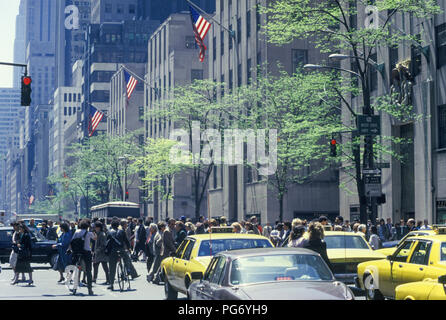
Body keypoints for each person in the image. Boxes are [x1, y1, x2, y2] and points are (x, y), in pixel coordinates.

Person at [70, 219, 96, 295]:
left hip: (77, 252)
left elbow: (72, 241)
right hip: (86, 252)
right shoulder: (89, 233)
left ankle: (74, 288)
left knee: (75, 268)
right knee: (88, 270)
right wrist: (93, 231)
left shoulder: (76, 232)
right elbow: (95, 238)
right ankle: (90, 289)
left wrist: (71, 250)